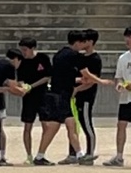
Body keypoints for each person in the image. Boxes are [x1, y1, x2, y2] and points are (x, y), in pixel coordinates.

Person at [34, 30, 90, 165]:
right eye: (82, 43)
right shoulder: (73, 55)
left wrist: (77, 80)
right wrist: (101, 81)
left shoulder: (60, 54)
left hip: (57, 94)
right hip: (60, 96)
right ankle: (40, 156)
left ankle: (79, 154)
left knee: (71, 124)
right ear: (77, 42)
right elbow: (86, 73)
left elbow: (64, 76)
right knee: (54, 126)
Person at [103, 26, 131, 167]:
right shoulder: (123, 57)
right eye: (127, 37)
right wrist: (119, 85)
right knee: (121, 125)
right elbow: (118, 77)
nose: (128, 40)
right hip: (126, 98)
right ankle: (119, 156)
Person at [72, 28, 110, 165]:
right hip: (77, 94)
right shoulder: (80, 58)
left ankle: (90, 153)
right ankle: (74, 153)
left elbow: (92, 81)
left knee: (87, 124)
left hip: (87, 96)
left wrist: (77, 89)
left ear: (91, 42)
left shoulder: (95, 59)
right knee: (75, 124)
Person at [16, 36, 53, 164]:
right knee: (27, 126)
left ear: (32, 48)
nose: (23, 52)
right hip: (28, 97)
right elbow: (20, 79)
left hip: (42, 95)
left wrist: (32, 86)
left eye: (25, 50)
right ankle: (29, 155)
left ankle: (41, 154)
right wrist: (23, 86)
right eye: (22, 50)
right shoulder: (22, 62)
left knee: (46, 125)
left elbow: (47, 76)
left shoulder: (43, 58)